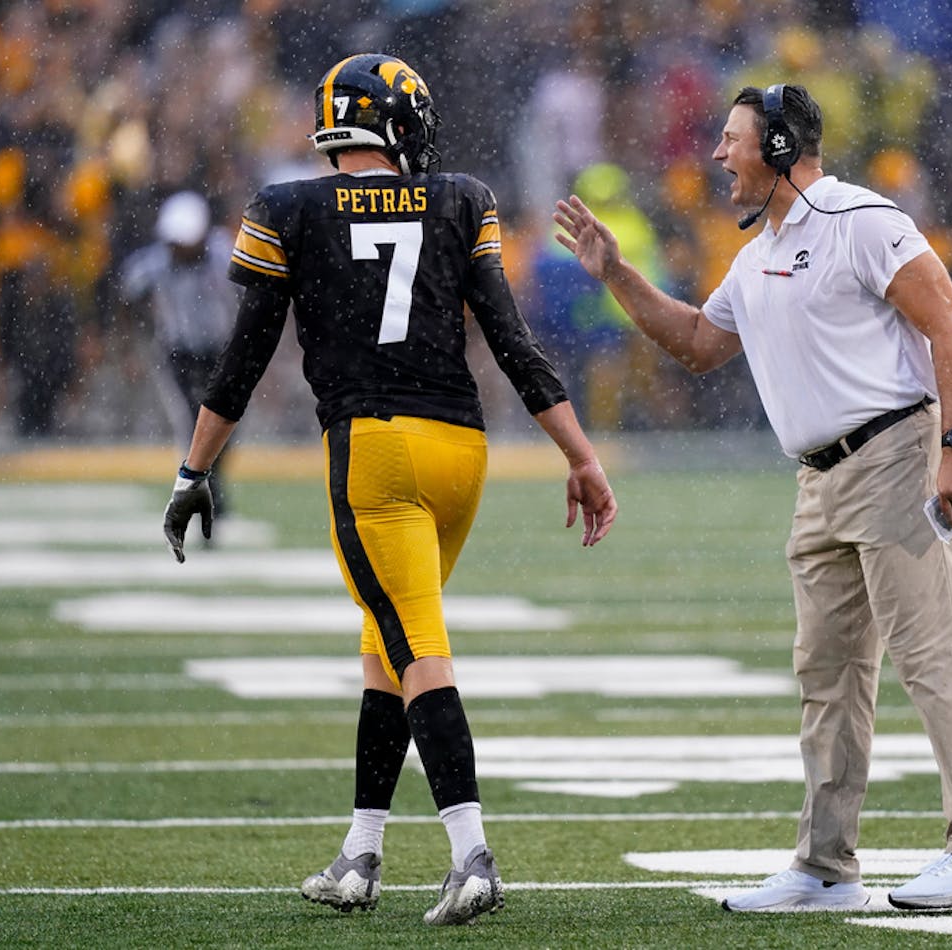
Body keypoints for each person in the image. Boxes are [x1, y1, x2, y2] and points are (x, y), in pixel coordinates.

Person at [160, 53, 616, 926]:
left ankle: (470, 853)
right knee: (387, 645)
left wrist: (194, 467)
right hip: (461, 451)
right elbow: (512, 342)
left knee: (414, 649)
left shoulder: (287, 208)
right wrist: (580, 453)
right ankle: (361, 854)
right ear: (396, 124)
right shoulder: (458, 197)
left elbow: (243, 361)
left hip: (372, 450)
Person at [554, 83, 952, 912]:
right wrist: (616, 273)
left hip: (893, 454)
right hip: (816, 478)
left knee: (930, 655)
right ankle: (826, 867)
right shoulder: (756, 251)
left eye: (732, 140)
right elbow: (698, 343)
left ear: (776, 151)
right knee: (828, 677)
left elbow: (951, 326)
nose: (718, 154)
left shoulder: (861, 222)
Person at [122, 191, 239, 512]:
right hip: (179, 352)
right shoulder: (156, 264)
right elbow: (128, 295)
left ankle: (211, 478)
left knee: (228, 422)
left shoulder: (223, 256)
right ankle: (206, 489)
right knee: (191, 421)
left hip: (222, 349)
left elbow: (254, 298)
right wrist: (135, 342)